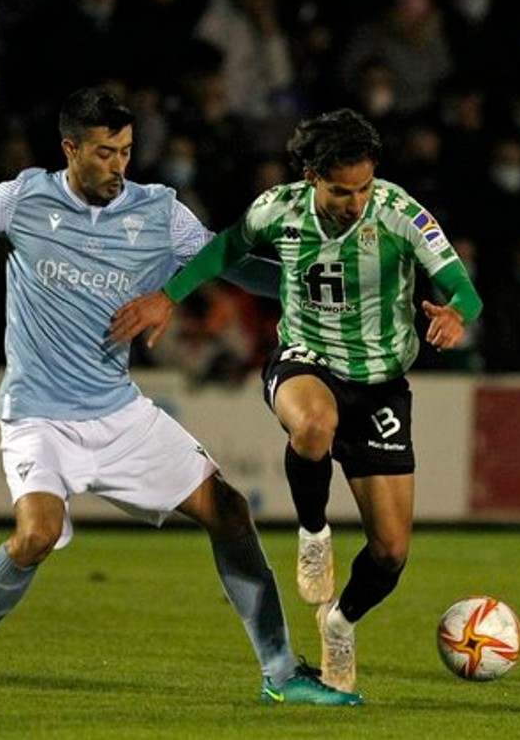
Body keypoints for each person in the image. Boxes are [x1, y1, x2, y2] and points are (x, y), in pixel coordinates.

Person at [0, 87, 362, 707]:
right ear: (71, 149)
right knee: (36, 535)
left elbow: (230, 265)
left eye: (127, 151)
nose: (119, 165)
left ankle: (280, 674)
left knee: (228, 510)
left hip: (119, 412)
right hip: (38, 417)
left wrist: (320, 290)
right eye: (106, 152)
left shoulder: (160, 212)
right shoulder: (21, 199)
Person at [119, 108, 483, 691]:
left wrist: (456, 317)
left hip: (382, 383)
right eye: (342, 190)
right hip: (305, 359)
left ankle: (340, 623)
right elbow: (225, 250)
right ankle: (313, 534)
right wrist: (169, 297)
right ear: (312, 176)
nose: (356, 201)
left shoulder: (399, 213)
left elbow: (464, 288)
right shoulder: (278, 208)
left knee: (390, 552)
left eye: (364, 187)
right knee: (312, 425)